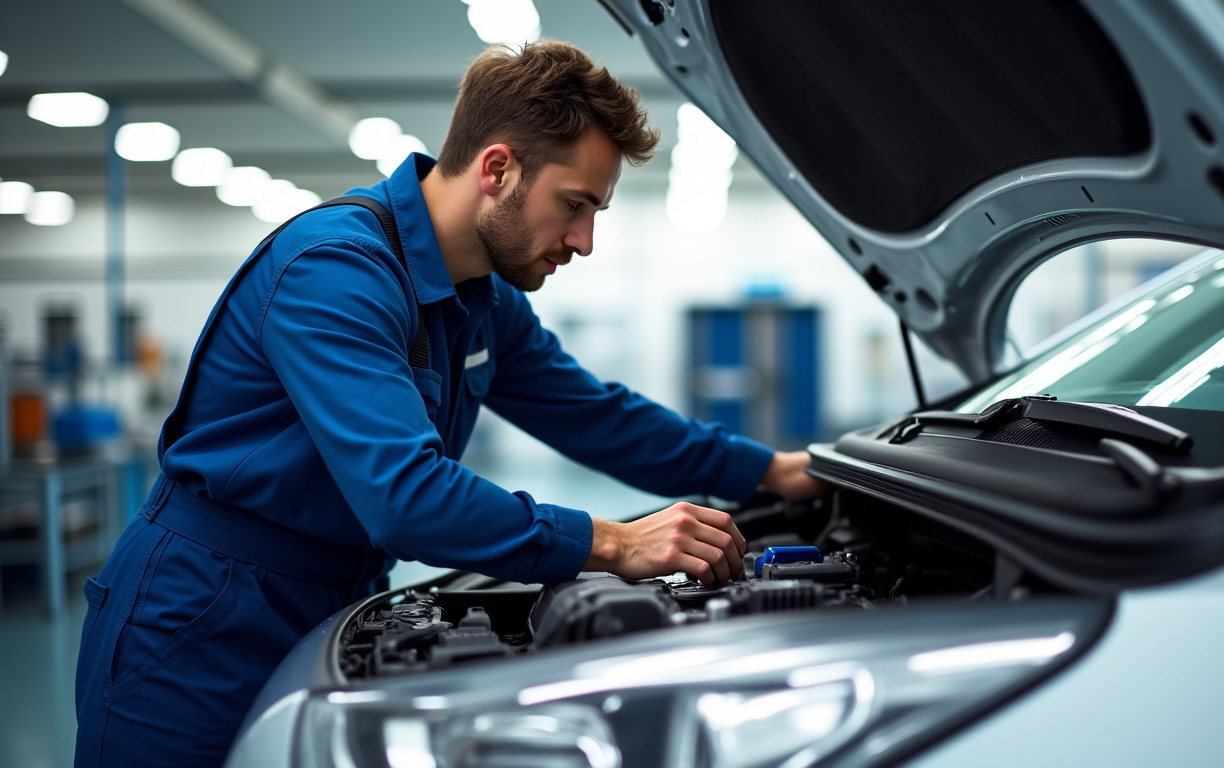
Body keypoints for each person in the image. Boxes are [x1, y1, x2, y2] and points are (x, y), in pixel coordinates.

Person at [74, 40, 825, 767]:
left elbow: (597, 414)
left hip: (336, 595)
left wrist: (773, 471)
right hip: (204, 616)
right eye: (575, 204)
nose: (585, 240)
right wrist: (614, 543)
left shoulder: (483, 301)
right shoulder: (336, 270)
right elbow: (405, 496)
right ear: (497, 168)